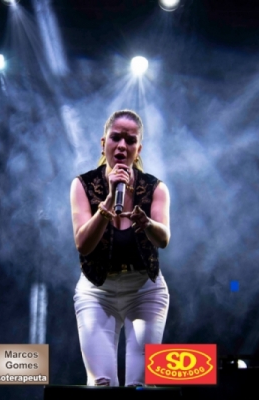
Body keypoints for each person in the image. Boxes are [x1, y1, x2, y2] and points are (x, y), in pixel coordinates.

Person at [70, 110, 171, 386]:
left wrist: (146, 223)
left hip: (144, 290)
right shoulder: (82, 185)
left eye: (130, 140)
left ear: (139, 149)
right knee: (102, 382)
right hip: (97, 291)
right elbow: (83, 244)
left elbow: (163, 238)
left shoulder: (155, 188)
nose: (122, 146)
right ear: (103, 143)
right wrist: (105, 207)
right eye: (116, 138)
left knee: (139, 385)